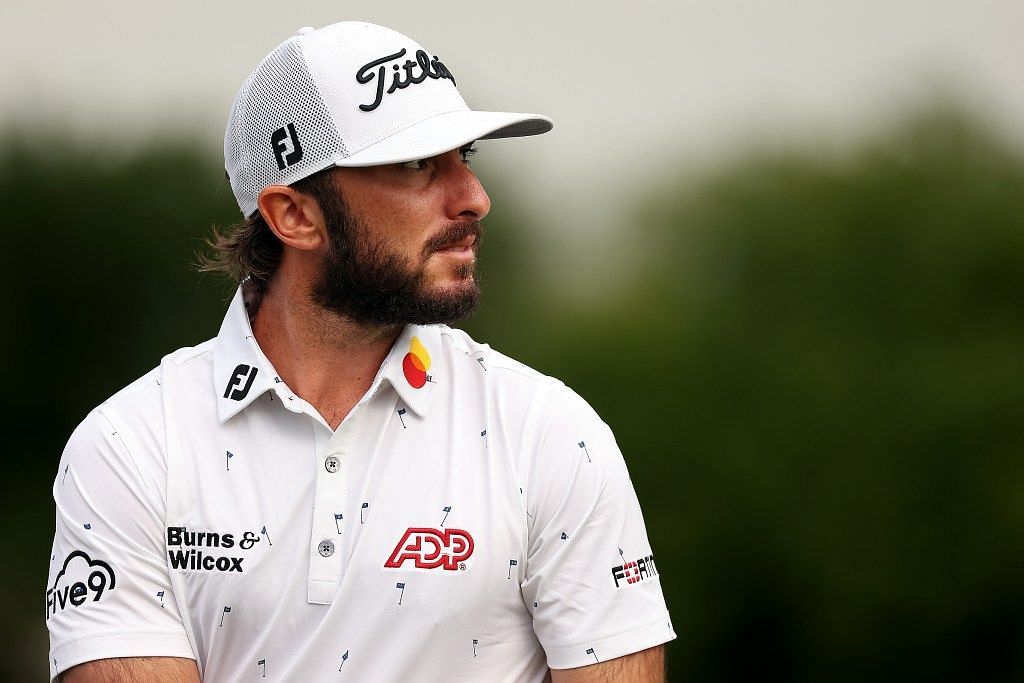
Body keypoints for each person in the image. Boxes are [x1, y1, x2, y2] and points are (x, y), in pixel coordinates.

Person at [45, 21, 675, 682]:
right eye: (416, 164)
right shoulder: (130, 445)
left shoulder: (549, 432)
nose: (474, 199)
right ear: (294, 215)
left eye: (466, 159)